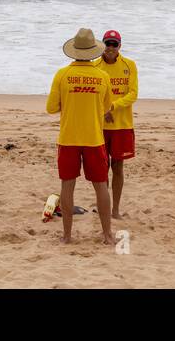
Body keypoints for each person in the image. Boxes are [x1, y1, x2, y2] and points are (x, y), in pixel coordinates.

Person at [47, 28, 114, 245]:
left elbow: (51, 108)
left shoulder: (62, 74)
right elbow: (107, 108)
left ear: (74, 50)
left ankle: (67, 236)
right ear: (94, 51)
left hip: (68, 138)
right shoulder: (102, 76)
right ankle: (107, 235)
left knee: (67, 186)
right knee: (101, 185)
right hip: (94, 138)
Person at [93, 30, 138, 219]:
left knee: (118, 167)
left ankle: (115, 209)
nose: (110, 48)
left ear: (119, 46)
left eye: (114, 44)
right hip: (100, 126)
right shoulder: (95, 66)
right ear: (102, 45)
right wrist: (104, 110)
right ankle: (104, 206)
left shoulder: (130, 65)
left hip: (122, 125)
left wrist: (112, 106)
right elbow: (93, 94)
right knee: (101, 170)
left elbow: (132, 94)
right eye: (107, 44)